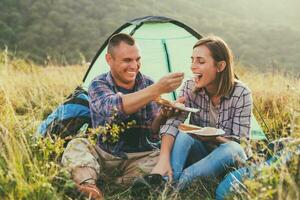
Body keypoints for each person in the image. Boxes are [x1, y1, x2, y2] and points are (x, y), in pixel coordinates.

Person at [61, 33, 184, 199]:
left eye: (137, 59)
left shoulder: (148, 83)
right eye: (127, 60)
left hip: (139, 157)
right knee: (77, 145)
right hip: (104, 153)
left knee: (162, 158)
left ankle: (108, 181)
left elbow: (153, 132)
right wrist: (157, 89)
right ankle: (90, 187)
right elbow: (113, 108)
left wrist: (163, 115)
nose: (134, 65)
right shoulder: (98, 84)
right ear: (109, 59)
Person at [152, 35, 252, 190]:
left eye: (200, 61)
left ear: (220, 66)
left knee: (232, 148)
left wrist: (215, 138)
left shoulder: (241, 93)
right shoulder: (189, 87)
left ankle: (177, 185)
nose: (193, 66)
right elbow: (173, 123)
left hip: (227, 160)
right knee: (183, 133)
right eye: (192, 60)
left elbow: (242, 146)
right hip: (201, 157)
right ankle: (168, 178)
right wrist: (163, 159)